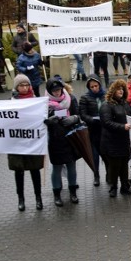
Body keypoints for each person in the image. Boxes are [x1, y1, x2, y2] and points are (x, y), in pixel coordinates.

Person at [9, 74, 44, 211]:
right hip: (17, 142)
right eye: (21, 85)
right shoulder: (10, 102)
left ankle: (38, 198)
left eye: (26, 85)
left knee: (35, 170)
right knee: (19, 171)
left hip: (32, 141)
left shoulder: (36, 101)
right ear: (16, 87)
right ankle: (21, 199)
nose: (24, 88)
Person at [45, 78, 81, 206]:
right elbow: (40, 120)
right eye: (54, 91)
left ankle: (73, 192)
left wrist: (74, 118)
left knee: (71, 166)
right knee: (57, 167)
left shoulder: (70, 98)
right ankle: (57, 194)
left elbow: (79, 114)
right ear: (49, 91)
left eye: (59, 90)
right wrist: (48, 121)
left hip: (69, 138)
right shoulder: (45, 103)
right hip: (55, 140)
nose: (57, 93)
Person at [100, 79, 131, 197]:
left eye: (122, 88)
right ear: (112, 90)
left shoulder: (124, 103)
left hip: (124, 140)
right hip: (112, 141)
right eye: (118, 88)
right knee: (115, 165)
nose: (121, 91)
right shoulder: (106, 105)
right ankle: (113, 187)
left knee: (124, 164)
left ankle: (125, 186)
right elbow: (107, 122)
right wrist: (123, 127)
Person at [79, 75, 106, 187]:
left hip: (104, 130)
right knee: (94, 155)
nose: (95, 88)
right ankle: (96, 175)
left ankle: (109, 174)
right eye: (92, 87)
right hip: (92, 130)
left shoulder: (106, 96)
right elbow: (83, 114)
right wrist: (92, 120)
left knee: (106, 153)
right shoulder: (85, 98)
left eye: (96, 85)